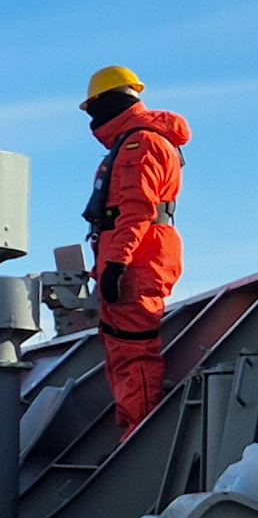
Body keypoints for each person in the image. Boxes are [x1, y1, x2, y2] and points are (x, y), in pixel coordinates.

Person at [81, 66, 189, 437]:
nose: (92, 119)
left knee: (133, 352)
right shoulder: (137, 140)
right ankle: (132, 431)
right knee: (121, 350)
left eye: (93, 108)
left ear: (108, 102)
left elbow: (136, 210)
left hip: (138, 262)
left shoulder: (137, 143)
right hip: (138, 258)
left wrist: (116, 265)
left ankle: (139, 438)